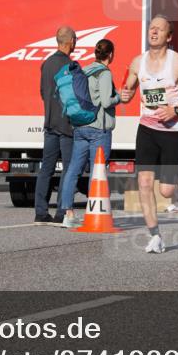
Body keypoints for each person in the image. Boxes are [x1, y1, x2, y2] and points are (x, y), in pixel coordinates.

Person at [120, 15, 178, 254]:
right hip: (147, 129)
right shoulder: (138, 62)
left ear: (169, 37)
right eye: (151, 28)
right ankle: (155, 236)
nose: (153, 32)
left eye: (159, 30)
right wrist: (125, 95)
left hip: (172, 131)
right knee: (144, 183)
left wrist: (176, 109)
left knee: (167, 191)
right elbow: (128, 87)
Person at [58, 39, 120, 228]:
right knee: (97, 171)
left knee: (73, 169)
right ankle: (94, 212)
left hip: (80, 127)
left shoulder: (84, 70)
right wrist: (119, 97)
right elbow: (107, 102)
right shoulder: (105, 73)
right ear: (110, 54)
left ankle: (67, 213)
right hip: (98, 129)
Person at [34, 26, 76, 225]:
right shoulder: (71, 65)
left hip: (49, 122)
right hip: (66, 125)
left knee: (46, 169)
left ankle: (40, 212)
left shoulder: (47, 64)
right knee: (68, 169)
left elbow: (43, 92)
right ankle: (61, 211)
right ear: (71, 42)